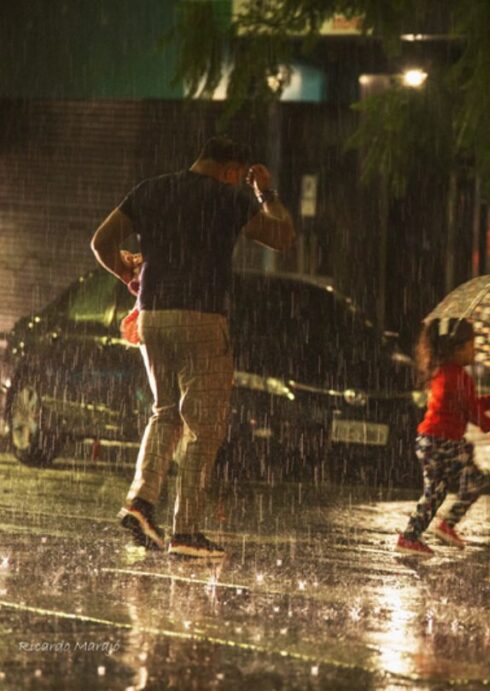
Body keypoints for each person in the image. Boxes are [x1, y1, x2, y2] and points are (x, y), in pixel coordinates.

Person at [90, 136, 295, 559]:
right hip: (202, 317)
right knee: (205, 426)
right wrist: (266, 194)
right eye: (237, 177)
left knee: (165, 412)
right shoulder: (226, 197)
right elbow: (282, 236)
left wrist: (129, 278)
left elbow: (101, 243)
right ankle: (186, 531)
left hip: (153, 316)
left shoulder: (151, 189)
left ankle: (141, 502)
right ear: (231, 171)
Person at [396, 318, 490, 556]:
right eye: (471, 345)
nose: (475, 350)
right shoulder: (459, 377)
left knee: (435, 491)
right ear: (457, 349)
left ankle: (410, 536)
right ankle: (445, 524)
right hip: (443, 441)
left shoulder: (445, 372)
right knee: (475, 481)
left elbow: (467, 405)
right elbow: (473, 412)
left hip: (429, 439)